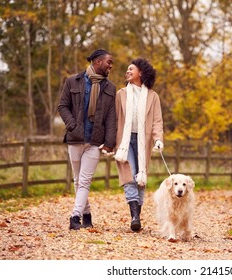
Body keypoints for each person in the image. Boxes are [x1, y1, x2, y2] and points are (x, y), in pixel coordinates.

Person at [57, 49, 117, 230]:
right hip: (75, 138)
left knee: (84, 180)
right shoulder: (72, 81)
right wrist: (72, 125)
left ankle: (75, 217)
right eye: (109, 62)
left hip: (95, 141)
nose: (111, 66)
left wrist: (109, 142)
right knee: (78, 179)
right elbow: (62, 106)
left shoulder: (110, 88)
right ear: (98, 62)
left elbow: (111, 118)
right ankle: (87, 214)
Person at [114, 58, 164, 231]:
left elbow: (157, 121)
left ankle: (137, 216)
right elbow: (113, 119)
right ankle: (134, 216)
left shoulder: (152, 96)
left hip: (144, 142)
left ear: (141, 72)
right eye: (127, 69)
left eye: (131, 69)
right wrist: (107, 141)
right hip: (124, 142)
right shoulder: (121, 94)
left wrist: (158, 139)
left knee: (140, 178)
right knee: (130, 175)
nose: (127, 71)